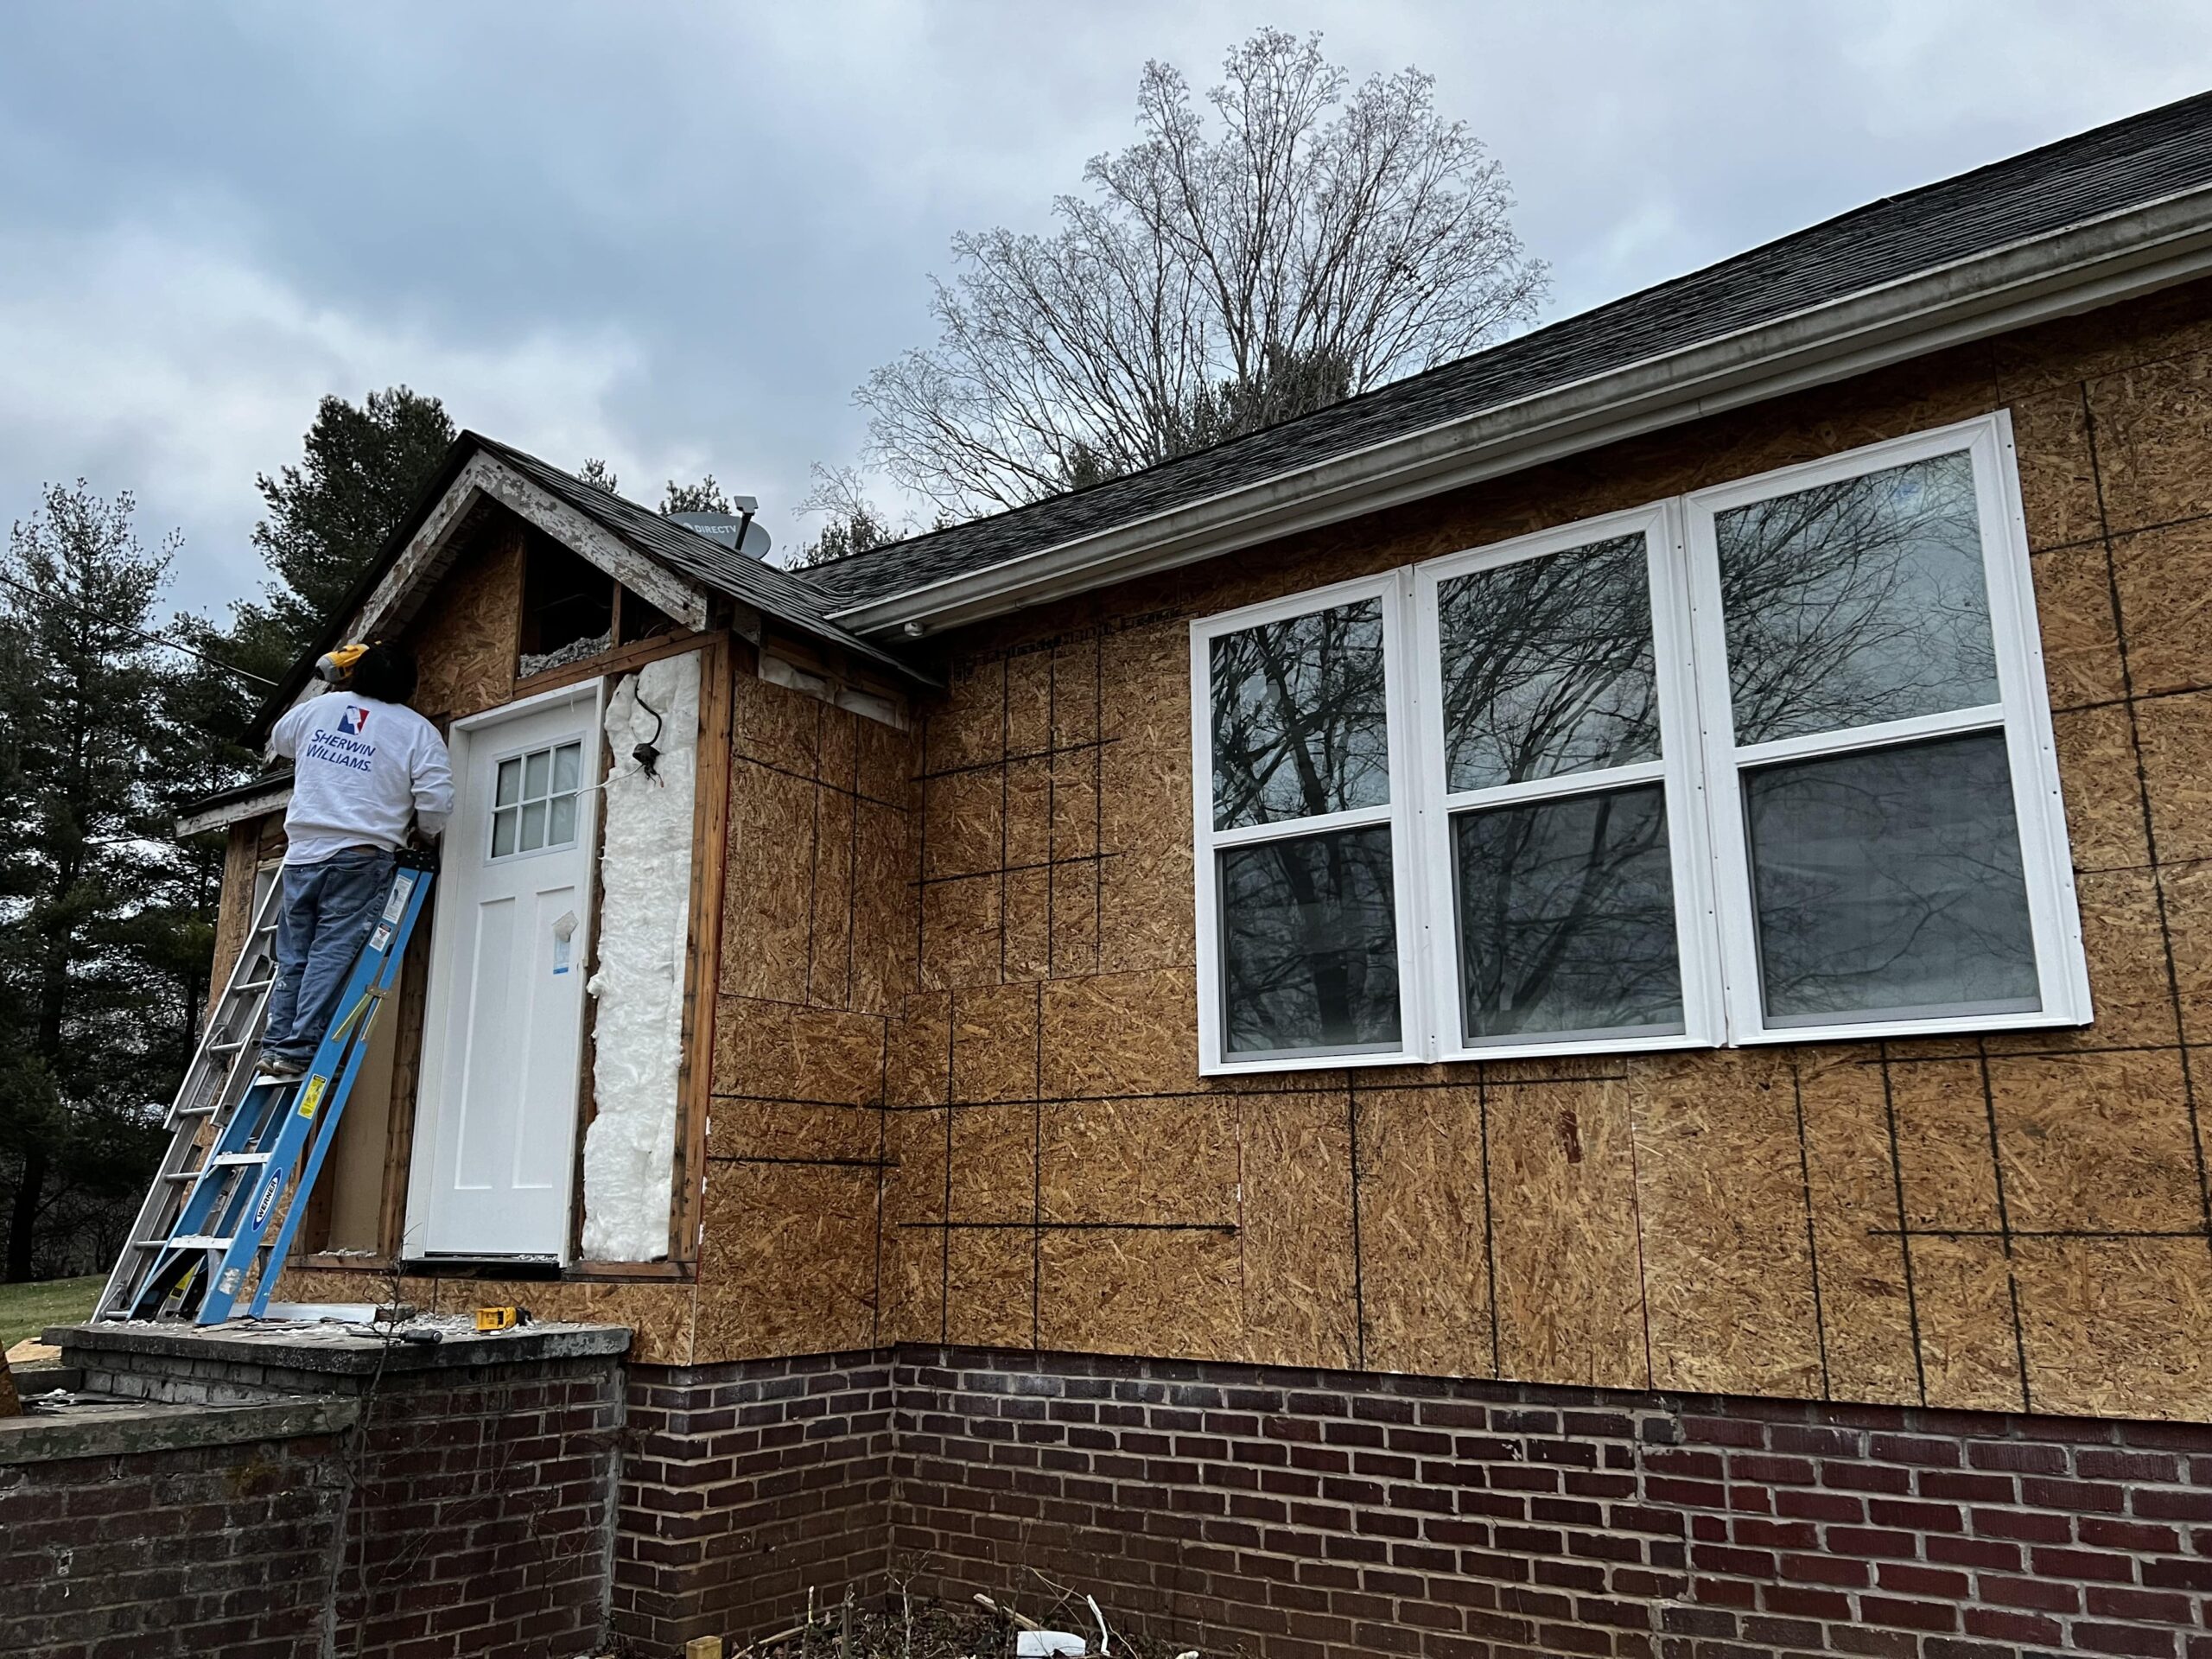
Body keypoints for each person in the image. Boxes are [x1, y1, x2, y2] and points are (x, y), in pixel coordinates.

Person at [256, 642, 453, 1081]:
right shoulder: (416, 730)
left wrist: (329, 676)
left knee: (294, 956)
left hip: (303, 856)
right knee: (331, 951)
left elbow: (280, 740)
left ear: (354, 673)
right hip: (360, 859)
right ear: (408, 684)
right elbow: (436, 800)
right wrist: (425, 833)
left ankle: (276, 1047)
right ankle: (296, 1050)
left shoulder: (320, 710)